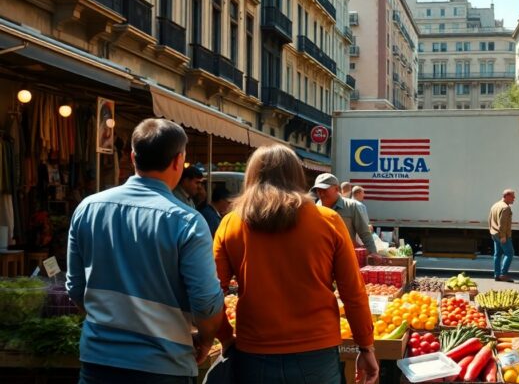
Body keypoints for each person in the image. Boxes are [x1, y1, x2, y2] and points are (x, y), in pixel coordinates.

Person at [66, 118, 224, 384]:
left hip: (98, 363)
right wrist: (206, 340)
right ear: (178, 161)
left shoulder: (88, 208)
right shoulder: (187, 221)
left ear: (131, 157)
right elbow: (206, 302)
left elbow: (75, 288)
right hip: (163, 366)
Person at [213, 145, 378, 384]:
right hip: (317, 353)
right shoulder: (328, 220)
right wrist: (366, 347)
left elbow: (210, 294)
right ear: (296, 177)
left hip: (254, 352)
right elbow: (353, 292)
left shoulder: (231, 223)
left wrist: (226, 337)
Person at [313, 173, 380, 258]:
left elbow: (364, 232)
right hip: (321, 257)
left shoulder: (351, 206)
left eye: (324, 190)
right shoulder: (315, 209)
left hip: (345, 258)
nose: (321, 194)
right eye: (318, 191)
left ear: (336, 189)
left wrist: (373, 252)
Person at [488, 189, 515, 282]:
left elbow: (490, 220)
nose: (514, 198)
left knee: (497, 254)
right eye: (512, 196)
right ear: (506, 196)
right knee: (510, 253)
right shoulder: (505, 208)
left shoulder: (495, 205)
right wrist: (503, 236)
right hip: (502, 235)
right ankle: (503, 274)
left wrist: (491, 231)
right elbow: (502, 224)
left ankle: (497, 274)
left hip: (495, 233)